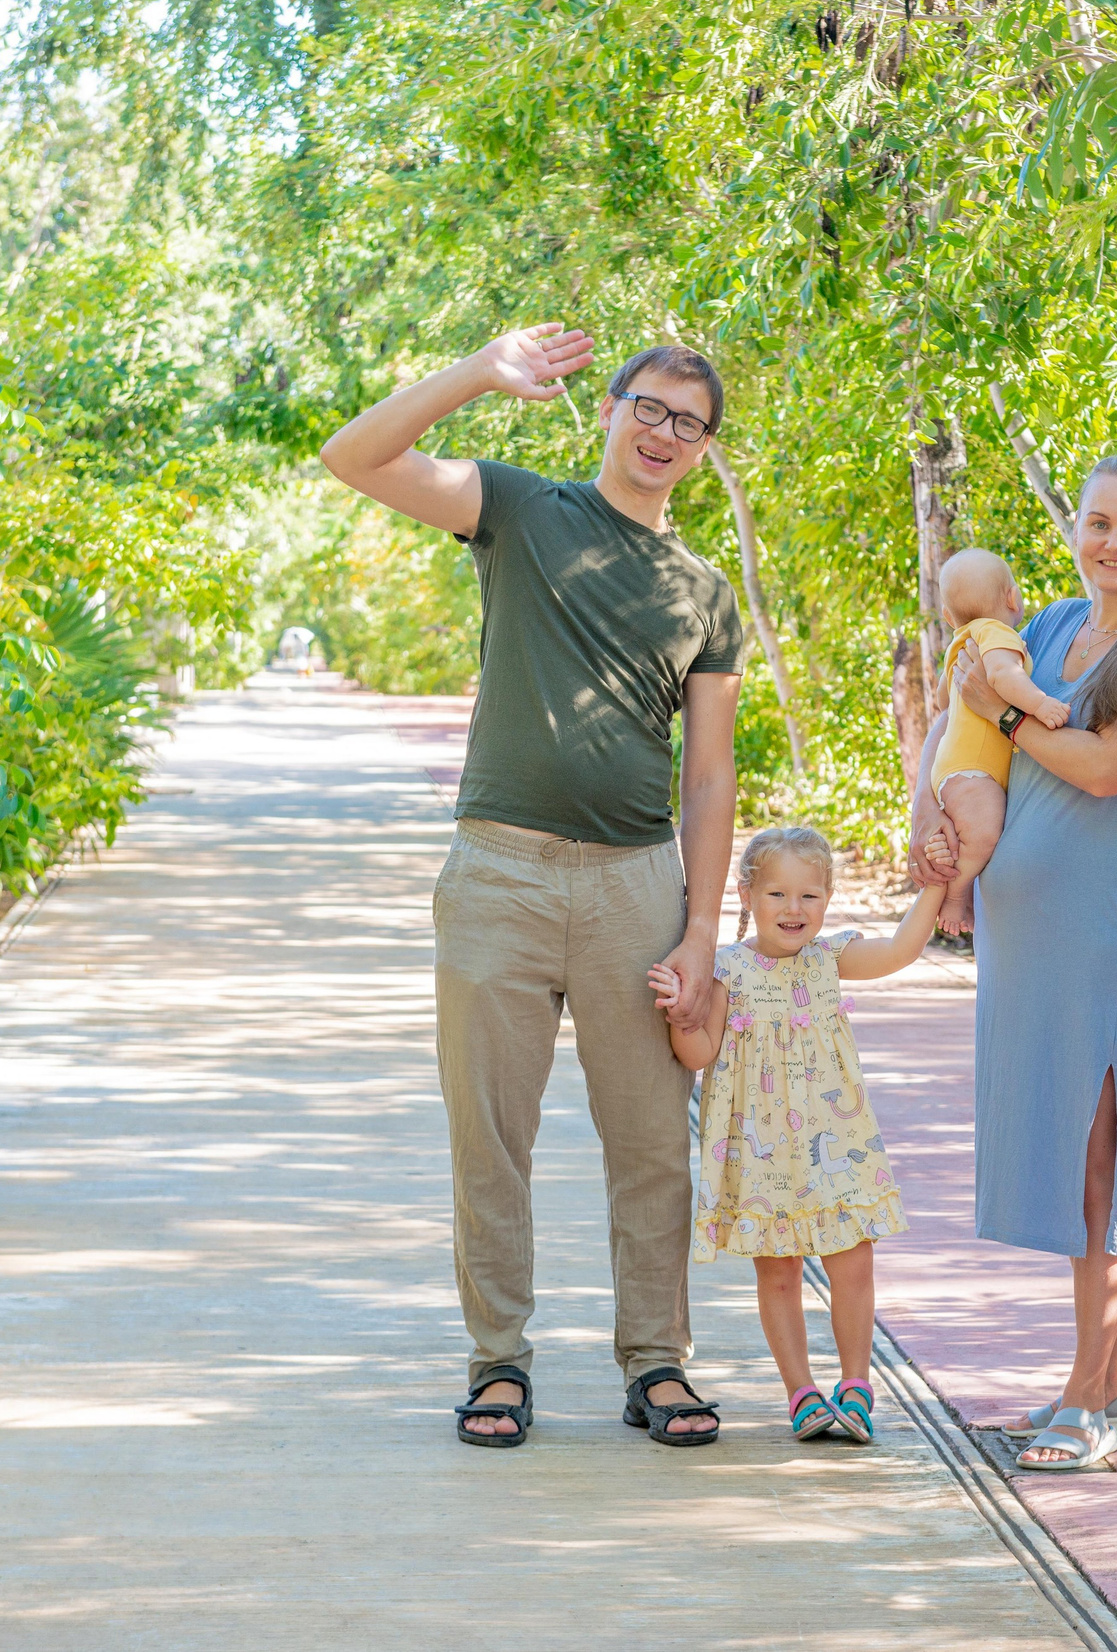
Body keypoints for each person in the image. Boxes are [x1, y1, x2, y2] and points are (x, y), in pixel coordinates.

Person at [318, 324, 743, 1449]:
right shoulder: (514, 508)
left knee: (652, 1140)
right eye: (647, 408)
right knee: (489, 1136)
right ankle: (496, 1361)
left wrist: (704, 931)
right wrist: (476, 372)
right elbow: (351, 456)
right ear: (606, 409)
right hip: (498, 874)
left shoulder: (704, 593)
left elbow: (708, 775)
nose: (662, 433)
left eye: (687, 423)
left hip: (635, 887)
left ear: (703, 449)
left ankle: (657, 1363)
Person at [907, 454, 1117, 1472]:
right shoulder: (1042, 627)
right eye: (1099, 522)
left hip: (1093, 936)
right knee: (1062, 1149)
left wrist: (1005, 712)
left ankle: (1082, 1401)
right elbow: (967, 728)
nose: (1114, 542)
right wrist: (932, 810)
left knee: (1098, 1163)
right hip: (1018, 935)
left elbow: (1099, 767)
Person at [652, 826, 945, 1445]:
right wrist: (683, 1011)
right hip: (763, 1157)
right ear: (748, 895)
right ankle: (801, 1392)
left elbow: (898, 951)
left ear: (828, 898)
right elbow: (700, 1053)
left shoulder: (829, 960)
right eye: (778, 894)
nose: (794, 910)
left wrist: (935, 888)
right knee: (779, 1273)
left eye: (810, 896)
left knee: (854, 1260)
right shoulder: (726, 971)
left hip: (836, 1145)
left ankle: (858, 1385)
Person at [920, 548, 1072, 934]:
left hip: (954, 768)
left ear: (948, 617)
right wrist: (1040, 704)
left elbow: (942, 701)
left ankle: (958, 884)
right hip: (975, 770)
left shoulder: (961, 642)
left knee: (970, 835)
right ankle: (955, 898)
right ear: (1012, 598)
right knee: (984, 833)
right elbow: (1005, 678)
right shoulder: (998, 634)